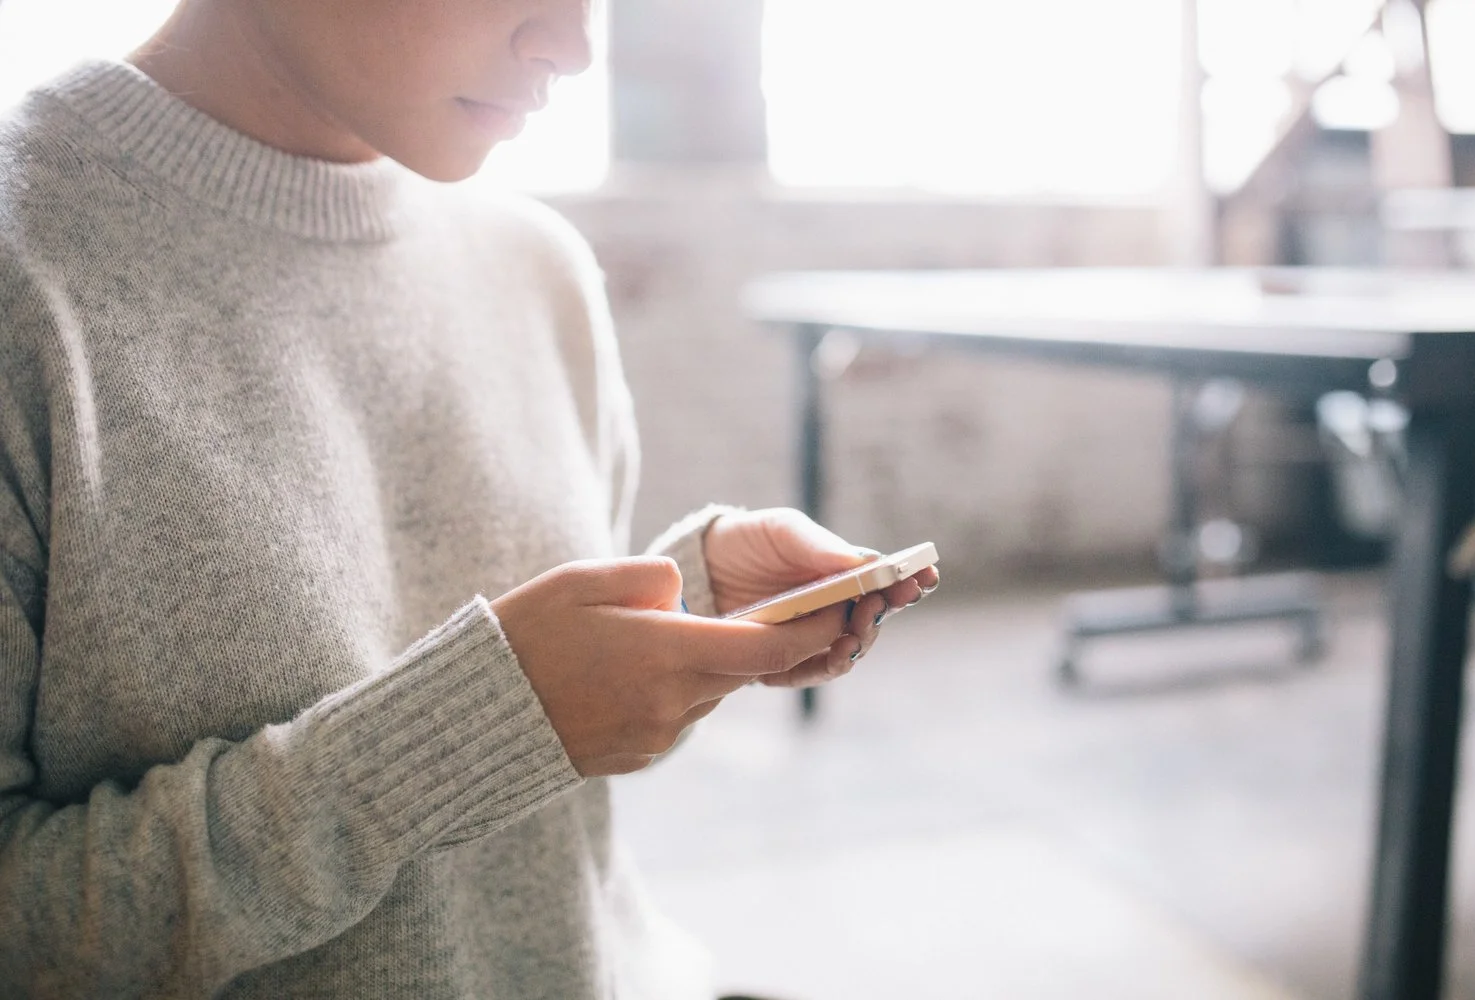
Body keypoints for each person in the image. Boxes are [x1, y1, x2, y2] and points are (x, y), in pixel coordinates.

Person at [0, 0, 939, 997]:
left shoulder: (535, 267)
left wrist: (687, 611)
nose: (575, 48)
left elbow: (542, 826)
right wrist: (467, 733)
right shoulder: (31, 273)